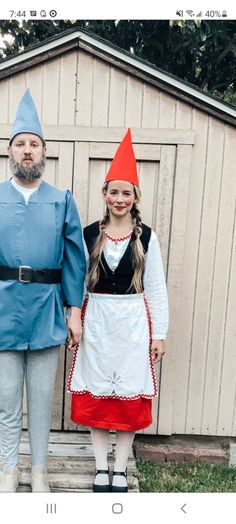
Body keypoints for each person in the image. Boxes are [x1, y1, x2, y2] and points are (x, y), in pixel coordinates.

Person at [68, 129, 169, 492]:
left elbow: (156, 288)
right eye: (114, 192)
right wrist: (74, 319)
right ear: (105, 195)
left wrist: (159, 333)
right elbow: (77, 282)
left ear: (135, 197)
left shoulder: (146, 237)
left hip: (131, 325)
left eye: (127, 193)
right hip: (97, 323)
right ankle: (99, 468)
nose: (120, 199)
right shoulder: (89, 233)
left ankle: (121, 469)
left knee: (125, 401)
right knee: (98, 395)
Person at [0, 89, 86, 493]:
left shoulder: (61, 200)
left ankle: (38, 471)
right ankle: (8, 470)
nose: (28, 151)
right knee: (6, 399)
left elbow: (74, 259)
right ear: (10, 152)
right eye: (21, 144)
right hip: (3, 309)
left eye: (34, 144)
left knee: (40, 401)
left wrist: (74, 312)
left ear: (44, 151)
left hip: (47, 309)